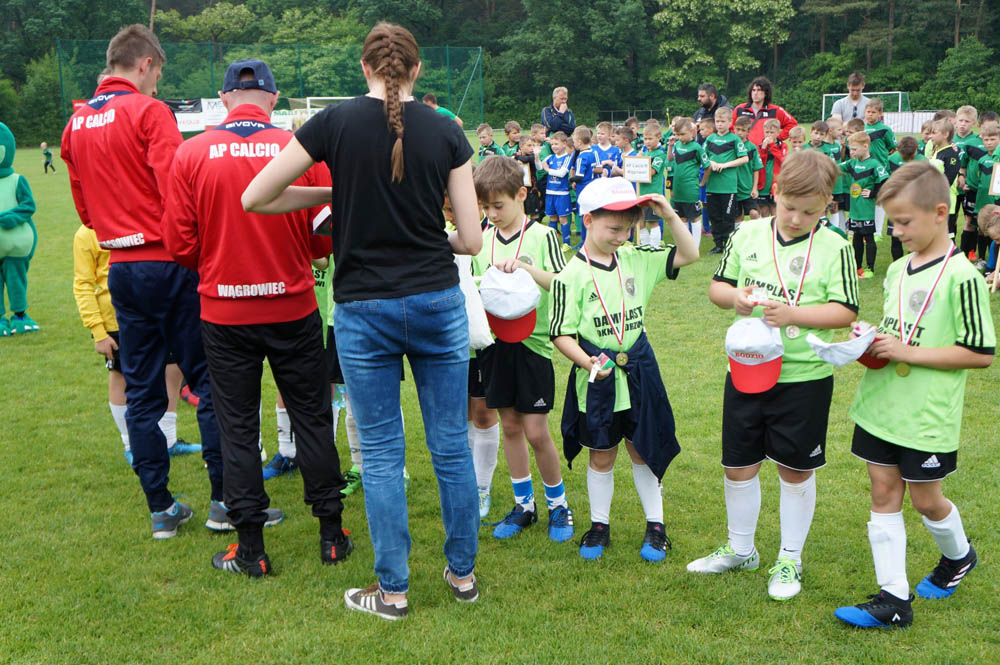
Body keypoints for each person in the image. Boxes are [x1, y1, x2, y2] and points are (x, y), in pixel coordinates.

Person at [242, 22, 483, 620]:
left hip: (363, 308)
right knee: (450, 446)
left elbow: (257, 197)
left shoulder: (333, 122)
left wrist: (333, 195)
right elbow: (473, 240)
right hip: (436, 301)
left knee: (379, 454)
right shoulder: (446, 129)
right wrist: (421, 232)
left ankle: (393, 591)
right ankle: (462, 576)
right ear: (417, 70)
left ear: (364, 67)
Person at [162, 58, 361, 576]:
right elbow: (324, 239)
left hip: (225, 312)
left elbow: (179, 244)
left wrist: (221, 263)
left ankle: (250, 548)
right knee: (313, 418)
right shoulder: (299, 149)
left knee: (237, 426)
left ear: (224, 99)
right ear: (273, 99)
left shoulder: (191, 152)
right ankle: (331, 535)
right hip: (293, 307)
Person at [60, 24, 224, 539]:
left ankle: (161, 509)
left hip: (122, 271)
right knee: (209, 382)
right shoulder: (150, 111)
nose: (158, 84)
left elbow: (86, 213)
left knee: (142, 389)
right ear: (146, 64)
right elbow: (178, 192)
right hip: (169, 262)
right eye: (159, 74)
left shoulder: (76, 123)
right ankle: (225, 502)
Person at [692, 149, 859, 601]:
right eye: (789, 207)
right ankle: (741, 549)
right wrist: (735, 300)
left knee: (795, 469)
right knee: (738, 463)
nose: (797, 219)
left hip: (803, 378)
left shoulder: (837, 247)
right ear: (776, 192)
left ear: (828, 206)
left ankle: (789, 558)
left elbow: (845, 310)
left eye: (811, 212)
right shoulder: (746, 233)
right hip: (747, 367)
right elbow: (717, 287)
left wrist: (793, 315)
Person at [834, 161, 994, 629]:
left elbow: (979, 353)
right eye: (892, 222)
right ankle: (893, 599)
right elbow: (898, 330)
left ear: (941, 213)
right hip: (881, 405)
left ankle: (959, 556)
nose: (897, 232)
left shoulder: (963, 276)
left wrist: (907, 351)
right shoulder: (897, 269)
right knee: (882, 491)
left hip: (926, 415)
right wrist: (870, 340)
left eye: (904, 222)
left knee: (926, 501)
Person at [550, 177, 698, 561]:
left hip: (639, 370)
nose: (621, 237)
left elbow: (690, 254)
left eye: (627, 229)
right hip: (597, 375)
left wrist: (669, 215)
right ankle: (599, 526)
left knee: (642, 448)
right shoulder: (569, 277)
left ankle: (656, 526)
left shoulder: (636, 258)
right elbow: (561, 333)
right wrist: (586, 362)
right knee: (601, 453)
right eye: (613, 229)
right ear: (587, 220)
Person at [471, 155, 575, 543]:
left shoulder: (543, 236)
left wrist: (527, 270)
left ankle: (558, 505)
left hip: (533, 346)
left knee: (535, 430)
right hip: (493, 347)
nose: (492, 214)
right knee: (511, 426)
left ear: (521, 195)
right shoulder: (480, 241)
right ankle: (524, 505)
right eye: (485, 207)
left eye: (498, 205)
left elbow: (563, 283)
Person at [73, 224, 202, 464]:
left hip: (157, 309)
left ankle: (169, 439)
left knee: (173, 368)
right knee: (121, 375)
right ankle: (130, 445)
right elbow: (83, 284)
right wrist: (98, 331)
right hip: (117, 320)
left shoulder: (137, 220)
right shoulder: (86, 234)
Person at [0, 122, 39, 337]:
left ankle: (20, 315)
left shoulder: (17, 180)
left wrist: (11, 217)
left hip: (16, 246)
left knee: (16, 280)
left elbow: (28, 206)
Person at [840, 131, 889, 278]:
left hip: (867, 210)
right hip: (855, 210)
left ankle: (870, 269)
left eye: (854, 149)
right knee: (856, 238)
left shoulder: (874, 164)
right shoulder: (852, 163)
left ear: (865, 146)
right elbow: (836, 167)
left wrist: (873, 193)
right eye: (851, 149)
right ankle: (858, 268)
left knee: (869, 238)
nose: (852, 152)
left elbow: (886, 183)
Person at [703, 107, 749, 254]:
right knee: (714, 216)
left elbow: (745, 158)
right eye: (717, 121)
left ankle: (729, 245)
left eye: (723, 121)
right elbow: (702, 157)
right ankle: (718, 245)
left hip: (728, 186)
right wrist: (711, 163)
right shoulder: (710, 139)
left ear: (730, 122)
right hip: (712, 185)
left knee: (728, 218)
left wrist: (725, 165)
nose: (720, 124)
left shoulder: (734, 139)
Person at [667, 117, 710, 238]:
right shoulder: (677, 145)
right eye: (677, 135)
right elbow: (670, 159)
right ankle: (687, 245)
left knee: (694, 218)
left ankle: (695, 246)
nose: (680, 137)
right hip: (678, 189)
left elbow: (707, 166)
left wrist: (702, 182)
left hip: (690, 189)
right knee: (682, 218)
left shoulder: (697, 148)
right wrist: (670, 146)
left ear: (691, 132)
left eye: (682, 134)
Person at [887, 136, 928, 260]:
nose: (908, 159)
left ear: (916, 149)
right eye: (904, 156)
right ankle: (898, 263)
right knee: (896, 236)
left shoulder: (923, 161)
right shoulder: (892, 159)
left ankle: (913, 262)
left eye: (911, 156)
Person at [731, 76, 797, 149]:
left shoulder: (775, 110)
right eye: (753, 90)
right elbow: (730, 128)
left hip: (766, 151)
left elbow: (792, 124)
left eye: (759, 90)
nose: (755, 93)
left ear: (766, 93)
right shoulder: (740, 109)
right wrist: (737, 140)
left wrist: (777, 138)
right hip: (744, 150)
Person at [535, 131, 573, 246]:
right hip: (550, 192)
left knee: (563, 219)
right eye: (552, 144)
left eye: (556, 144)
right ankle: (553, 241)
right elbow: (539, 167)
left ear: (564, 143)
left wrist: (547, 169)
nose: (554, 146)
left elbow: (561, 173)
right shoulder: (550, 157)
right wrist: (537, 156)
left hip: (562, 194)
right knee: (552, 218)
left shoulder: (567, 158)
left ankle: (566, 243)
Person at [926, 119, 964, 235]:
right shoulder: (937, 152)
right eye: (930, 133)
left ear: (946, 134)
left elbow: (948, 180)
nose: (930, 136)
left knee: (946, 236)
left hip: (946, 202)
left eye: (934, 133)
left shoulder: (951, 154)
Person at [636, 120, 669, 247]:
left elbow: (651, 172)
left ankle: (654, 246)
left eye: (650, 139)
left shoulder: (660, 154)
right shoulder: (645, 153)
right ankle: (645, 245)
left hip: (652, 194)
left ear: (659, 137)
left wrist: (639, 162)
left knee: (652, 222)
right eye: (645, 139)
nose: (647, 142)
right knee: (641, 222)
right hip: (642, 192)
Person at [732, 116, 762, 222]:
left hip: (747, 189)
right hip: (734, 188)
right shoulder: (730, 146)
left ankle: (759, 230)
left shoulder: (752, 148)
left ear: (748, 131)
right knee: (738, 217)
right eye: (738, 129)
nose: (740, 133)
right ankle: (739, 232)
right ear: (734, 129)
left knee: (754, 213)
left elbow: (756, 169)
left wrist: (754, 188)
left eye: (743, 130)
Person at [756, 119, 786, 219]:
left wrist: (772, 146)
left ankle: (775, 228)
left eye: (772, 132)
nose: (769, 135)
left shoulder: (782, 146)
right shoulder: (760, 146)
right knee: (764, 212)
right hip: (763, 185)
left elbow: (782, 160)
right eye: (767, 132)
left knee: (775, 212)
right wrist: (763, 149)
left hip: (776, 184)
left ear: (778, 133)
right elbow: (759, 163)